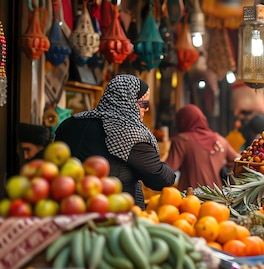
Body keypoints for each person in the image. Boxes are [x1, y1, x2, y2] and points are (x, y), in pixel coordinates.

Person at [55, 74, 176, 209]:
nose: (147, 109)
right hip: (113, 211)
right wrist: (170, 173)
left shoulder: (71, 122)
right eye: (144, 103)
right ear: (128, 101)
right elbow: (159, 178)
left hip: (66, 205)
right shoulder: (129, 133)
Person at [167, 104, 239, 190]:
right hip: (217, 198)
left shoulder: (182, 140)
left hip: (191, 198)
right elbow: (239, 163)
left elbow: (168, 170)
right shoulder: (220, 140)